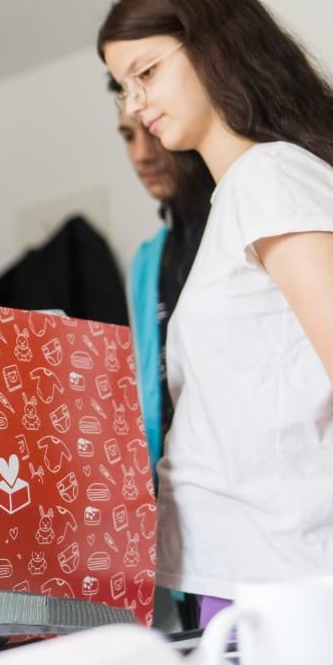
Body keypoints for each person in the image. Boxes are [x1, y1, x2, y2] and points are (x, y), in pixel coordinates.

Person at [98, 0, 333, 636]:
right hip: (260, 580)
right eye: (123, 87)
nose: (134, 104)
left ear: (211, 44)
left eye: (146, 73)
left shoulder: (270, 178)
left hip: (323, 582)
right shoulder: (239, 197)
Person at [109, 80, 213, 483]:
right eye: (127, 136)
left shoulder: (236, 222)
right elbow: (152, 391)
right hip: (174, 488)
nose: (142, 155)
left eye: (150, 131)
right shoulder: (147, 261)